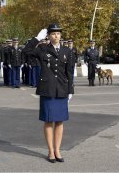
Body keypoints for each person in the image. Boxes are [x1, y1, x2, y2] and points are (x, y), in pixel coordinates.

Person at [23, 24, 74, 163]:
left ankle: (58, 150)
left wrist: (70, 91)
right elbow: (26, 51)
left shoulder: (67, 51)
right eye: (53, 34)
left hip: (62, 89)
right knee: (48, 120)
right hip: (47, 89)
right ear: (48, 36)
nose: (56, 36)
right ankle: (50, 151)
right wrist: (36, 38)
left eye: (58, 33)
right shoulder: (42, 49)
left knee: (59, 121)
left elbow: (69, 72)